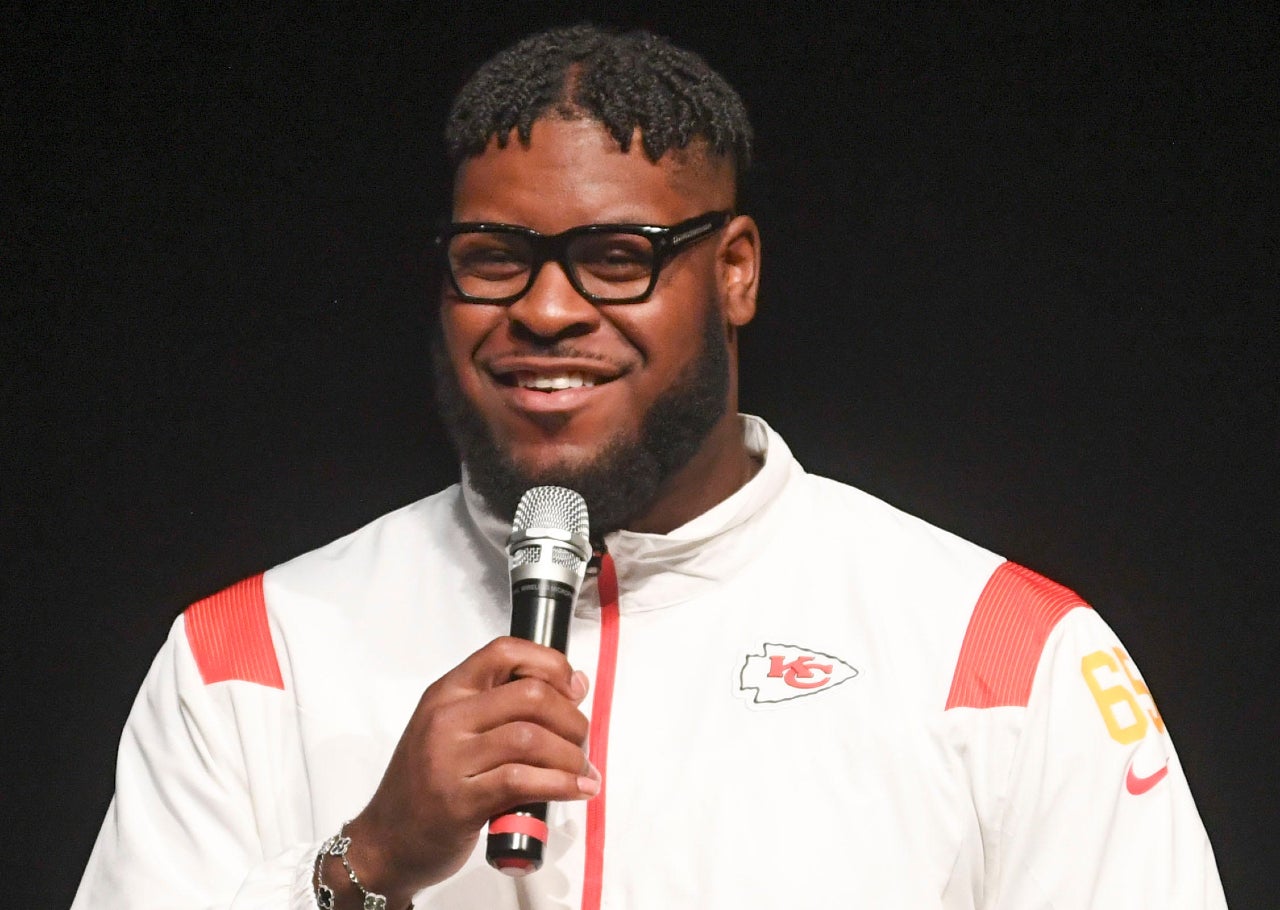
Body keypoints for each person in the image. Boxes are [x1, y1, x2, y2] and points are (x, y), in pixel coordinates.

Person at [74, 24, 1226, 910]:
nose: (545, 307)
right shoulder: (248, 656)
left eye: (616, 257)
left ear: (733, 270)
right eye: (492, 257)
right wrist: (363, 863)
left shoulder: (999, 652)